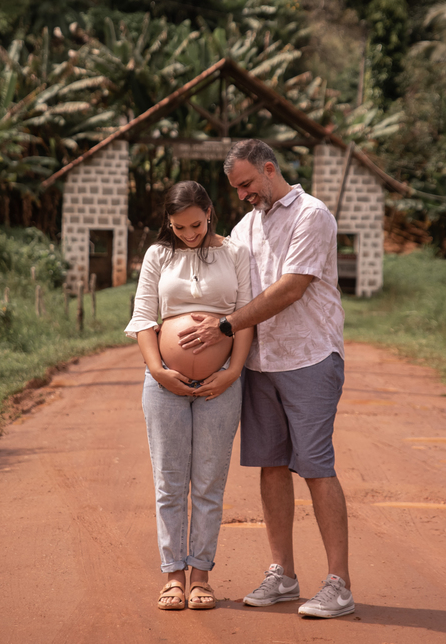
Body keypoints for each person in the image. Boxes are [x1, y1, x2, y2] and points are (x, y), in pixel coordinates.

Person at [178, 139, 353, 618]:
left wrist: (225, 327)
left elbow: (291, 288)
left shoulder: (312, 215)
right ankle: (284, 575)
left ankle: (338, 584)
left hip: (310, 357)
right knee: (271, 466)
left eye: (247, 184)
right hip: (261, 365)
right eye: (236, 188)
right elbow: (229, 292)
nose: (243, 195)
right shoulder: (244, 228)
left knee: (315, 465)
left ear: (269, 169)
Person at [125, 181, 253, 611]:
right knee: (169, 483)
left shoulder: (235, 252)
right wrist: (159, 370)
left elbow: (246, 314)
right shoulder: (158, 255)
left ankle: (201, 576)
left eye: (195, 225)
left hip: (221, 382)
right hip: (165, 385)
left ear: (210, 213)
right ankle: (172, 577)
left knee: (209, 483)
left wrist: (231, 371)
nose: (188, 234)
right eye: (179, 227)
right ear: (169, 223)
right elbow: (143, 317)